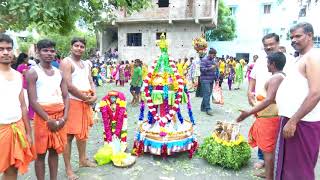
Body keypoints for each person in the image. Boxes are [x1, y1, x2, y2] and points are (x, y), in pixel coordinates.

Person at [275, 22, 320, 180]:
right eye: (291, 36)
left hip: (302, 123)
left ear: (310, 36)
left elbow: (315, 93)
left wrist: (294, 121)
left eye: (298, 36)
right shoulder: (299, 58)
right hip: (291, 121)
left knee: (299, 172)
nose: (293, 39)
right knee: (288, 170)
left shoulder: (313, 57)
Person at [237, 52, 286, 179]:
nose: (267, 66)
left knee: (268, 154)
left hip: (269, 121)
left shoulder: (276, 78)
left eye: (268, 63)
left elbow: (269, 100)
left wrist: (249, 112)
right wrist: (255, 102)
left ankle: (270, 177)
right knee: (268, 152)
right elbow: (270, 100)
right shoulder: (279, 76)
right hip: (267, 119)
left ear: (273, 64)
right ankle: (269, 174)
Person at [26, 39, 69, 180]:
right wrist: (48, 119)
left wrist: (64, 118)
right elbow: (32, 101)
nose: (49, 53)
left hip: (59, 117)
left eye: (52, 51)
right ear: (38, 52)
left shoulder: (59, 73)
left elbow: (66, 96)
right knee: (40, 153)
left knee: (54, 151)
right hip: (43, 118)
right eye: (45, 50)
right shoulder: (33, 73)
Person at [60, 37, 97, 180]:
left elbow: (90, 81)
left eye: (82, 46)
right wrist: (85, 98)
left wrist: (94, 95)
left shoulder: (86, 63)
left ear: (84, 48)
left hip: (85, 102)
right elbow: (68, 85)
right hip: (72, 102)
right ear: (71, 47)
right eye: (76, 45)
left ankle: (83, 160)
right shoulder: (66, 62)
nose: (79, 48)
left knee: (83, 133)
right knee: (68, 136)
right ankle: (69, 170)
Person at [0, 33, 35, 180]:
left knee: (12, 170)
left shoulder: (17, 75)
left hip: (16, 128)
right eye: (1, 49)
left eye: (9, 48)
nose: (5, 52)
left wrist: (28, 132)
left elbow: (23, 106)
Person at [248, 33, 284, 169]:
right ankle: (262, 158)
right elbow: (253, 77)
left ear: (278, 43)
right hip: (261, 103)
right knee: (263, 130)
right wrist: (249, 91)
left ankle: (274, 162)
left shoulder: (287, 60)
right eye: (265, 45)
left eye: (271, 44)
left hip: (277, 105)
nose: (268, 47)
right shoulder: (261, 61)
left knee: (274, 132)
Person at [200, 48, 217, 116]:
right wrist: (211, 68)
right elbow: (202, 70)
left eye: (215, 55)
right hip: (204, 80)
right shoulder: (204, 60)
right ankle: (208, 108)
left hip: (211, 80)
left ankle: (202, 107)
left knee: (208, 94)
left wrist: (216, 78)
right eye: (213, 55)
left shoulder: (213, 61)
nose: (214, 56)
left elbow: (214, 70)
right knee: (207, 93)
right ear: (210, 54)